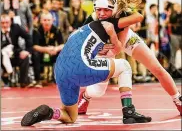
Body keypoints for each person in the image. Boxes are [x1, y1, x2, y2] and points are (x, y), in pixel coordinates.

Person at [21, 16, 152, 126]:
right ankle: (128, 111)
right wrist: (112, 32)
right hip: (82, 65)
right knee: (124, 66)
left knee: (71, 116)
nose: (103, 13)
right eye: (101, 10)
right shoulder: (106, 23)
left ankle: (49, 112)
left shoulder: (81, 29)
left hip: (60, 70)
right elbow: (137, 17)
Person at [78, 0, 182, 117]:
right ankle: (86, 95)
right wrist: (98, 50)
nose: (102, 14)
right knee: (99, 91)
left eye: (106, 10)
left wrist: (116, 25)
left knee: (157, 68)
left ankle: (177, 98)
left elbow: (120, 44)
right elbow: (84, 45)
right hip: (103, 45)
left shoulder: (123, 12)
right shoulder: (91, 20)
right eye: (99, 10)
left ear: (115, 8)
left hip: (122, 39)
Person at [1, 14, 32, 87]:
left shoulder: (16, 27)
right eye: (2, 23)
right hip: (1, 56)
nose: (5, 25)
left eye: (7, 22)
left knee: (25, 57)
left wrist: (27, 51)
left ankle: (23, 82)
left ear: (10, 22)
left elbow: (28, 37)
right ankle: (5, 77)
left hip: (14, 53)